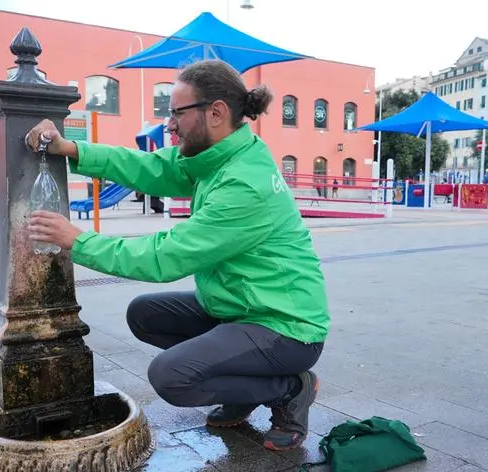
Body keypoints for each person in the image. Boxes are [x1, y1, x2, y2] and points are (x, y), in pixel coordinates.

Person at [25, 60, 330, 451]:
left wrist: (77, 241)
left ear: (216, 112)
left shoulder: (244, 185)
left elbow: (164, 257)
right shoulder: (219, 155)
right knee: (145, 315)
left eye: (176, 113)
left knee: (172, 377)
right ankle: (246, 389)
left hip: (285, 328)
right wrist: (73, 150)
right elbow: (151, 167)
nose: (170, 124)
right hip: (242, 307)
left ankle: (288, 389)